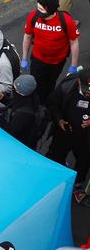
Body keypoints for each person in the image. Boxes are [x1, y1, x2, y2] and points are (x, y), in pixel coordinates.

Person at [21, 0, 80, 103]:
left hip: (57, 62)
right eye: (37, 7)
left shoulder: (66, 21)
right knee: (36, 84)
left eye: (41, 9)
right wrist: (24, 57)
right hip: (38, 59)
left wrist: (73, 65)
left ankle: (47, 104)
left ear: (51, 10)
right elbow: (27, 36)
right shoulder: (33, 17)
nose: (38, 11)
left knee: (50, 83)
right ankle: (36, 103)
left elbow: (74, 43)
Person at [46, 67, 90, 197]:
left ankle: (77, 186)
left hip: (85, 136)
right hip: (64, 131)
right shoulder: (66, 86)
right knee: (56, 156)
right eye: (87, 88)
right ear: (78, 82)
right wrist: (59, 119)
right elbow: (52, 104)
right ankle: (55, 179)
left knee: (84, 161)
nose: (88, 93)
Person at [0, 74, 43, 149]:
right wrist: (2, 98)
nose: (13, 91)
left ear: (20, 93)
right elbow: (15, 103)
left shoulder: (21, 116)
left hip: (20, 145)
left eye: (15, 89)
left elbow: (10, 133)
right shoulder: (30, 98)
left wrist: (0, 116)